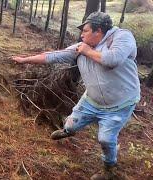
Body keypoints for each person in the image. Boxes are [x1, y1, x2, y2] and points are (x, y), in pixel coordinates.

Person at [12, 12, 140, 180]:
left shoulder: (122, 37)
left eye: (85, 31)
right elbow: (53, 56)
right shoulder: (81, 47)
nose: (81, 35)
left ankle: (109, 169)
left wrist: (87, 51)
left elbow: (113, 60)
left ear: (98, 30)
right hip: (92, 100)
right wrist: (24, 60)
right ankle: (68, 130)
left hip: (120, 103)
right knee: (71, 125)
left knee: (106, 139)